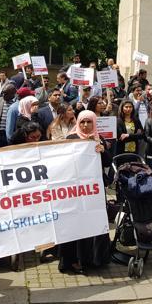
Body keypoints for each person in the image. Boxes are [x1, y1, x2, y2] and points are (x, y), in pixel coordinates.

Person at [57, 110, 111, 274]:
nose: (86, 125)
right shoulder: (71, 139)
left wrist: (102, 150)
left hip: (93, 191)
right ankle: (73, 260)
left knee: (94, 222)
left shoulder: (98, 138)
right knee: (75, 224)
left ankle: (95, 258)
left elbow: (107, 162)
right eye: (82, 122)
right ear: (77, 123)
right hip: (75, 192)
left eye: (89, 122)